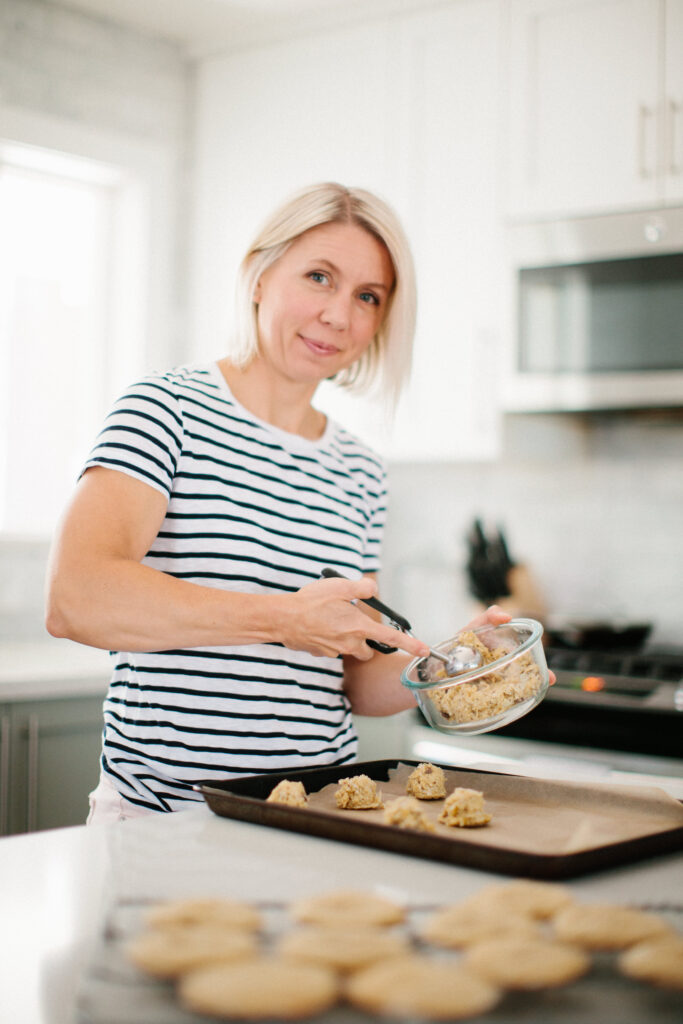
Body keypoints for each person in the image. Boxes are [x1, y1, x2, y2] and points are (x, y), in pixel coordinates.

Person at [46, 182, 510, 823]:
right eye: (319, 277)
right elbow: (76, 598)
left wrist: (445, 665)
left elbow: (353, 682)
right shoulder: (167, 409)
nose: (339, 316)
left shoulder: (360, 471)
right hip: (166, 818)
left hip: (320, 816)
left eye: (367, 297)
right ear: (258, 275)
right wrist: (282, 620)